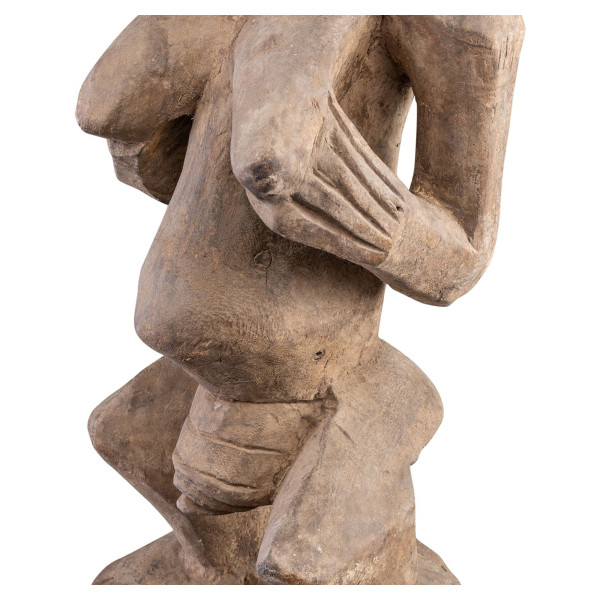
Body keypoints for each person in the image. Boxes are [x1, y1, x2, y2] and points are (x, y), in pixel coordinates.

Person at [78, 15, 524, 584]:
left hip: (322, 390)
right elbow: (119, 119)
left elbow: (461, 255)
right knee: (128, 456)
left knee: (301, 564)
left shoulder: (448, 20)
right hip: (199, 397)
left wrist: (358, 211)